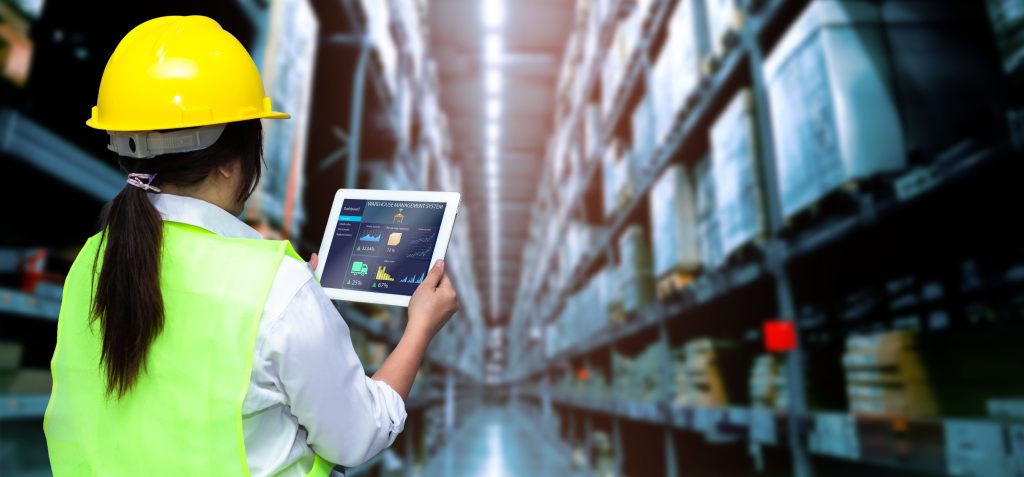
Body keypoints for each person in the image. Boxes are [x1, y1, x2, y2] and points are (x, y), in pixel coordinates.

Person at [42, 15, 459, 477]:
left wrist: (300, 305)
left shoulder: (91, 262)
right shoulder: (277, 289)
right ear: (229, 161)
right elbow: (359, 435)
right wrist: (420, 326)